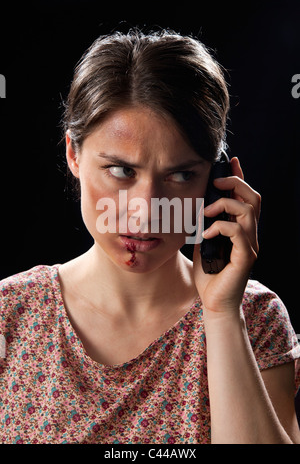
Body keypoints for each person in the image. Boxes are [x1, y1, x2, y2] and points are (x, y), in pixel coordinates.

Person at [0, 29, 299, 444]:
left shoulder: (255, 319)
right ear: (73, 154)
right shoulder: (10, 313)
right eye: (122, 170)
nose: (146, 210)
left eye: (180, 175)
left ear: (217, 182)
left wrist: (221, 314)